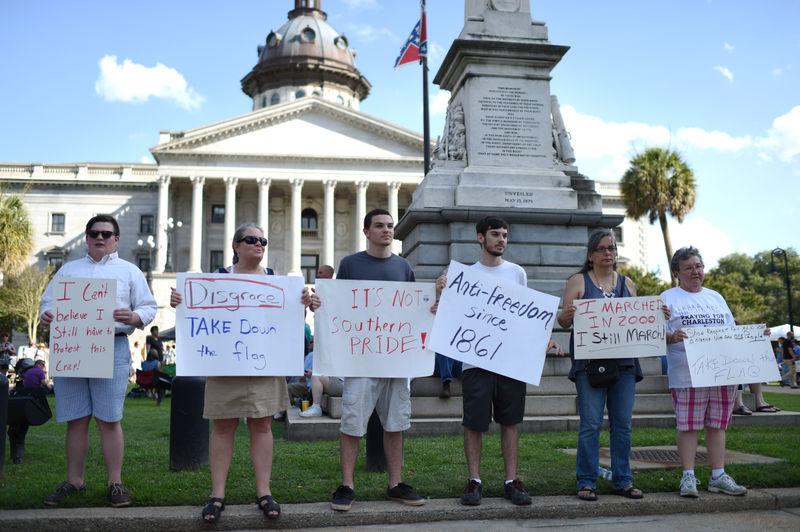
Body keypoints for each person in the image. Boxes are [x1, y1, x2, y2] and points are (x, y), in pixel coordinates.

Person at [170, 222, 314, 523]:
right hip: (224, 367)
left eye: (263, 240)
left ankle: (264, 492)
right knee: (223, 427)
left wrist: (305, 302)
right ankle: (217, 494)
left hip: (265, 366)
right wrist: (179, 302)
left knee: (262, 426)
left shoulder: (277, 281)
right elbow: (195, 315)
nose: (259, 244)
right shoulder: (217, 280)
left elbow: (289, 323)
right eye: (251, 239)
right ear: (236, 246)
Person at [437, 216, 557, 507]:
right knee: (474, 423)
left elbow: (526, 316)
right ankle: (474, 480)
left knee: (510, 422)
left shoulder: (517, 273)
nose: (501, 239)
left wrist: (541, 340)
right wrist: (440, 290)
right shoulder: (465, 275)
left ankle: (511, 480)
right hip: (475, 363)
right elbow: (446, 314)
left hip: (510, 362)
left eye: (505, 235)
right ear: (480, 238)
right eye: (495, 234)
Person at [39, 214, 157, 507]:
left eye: (106, 233)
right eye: (94, 233)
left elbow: (148, 306)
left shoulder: (130, 272)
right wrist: (47, 315)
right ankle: (74, 480)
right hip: (72, 346)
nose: (100, 238)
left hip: (113, 345)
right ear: (87, 237)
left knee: (109, 419)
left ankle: (115, 482)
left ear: (116, 239)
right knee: (76, 419)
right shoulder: (68, 270)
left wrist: (135, 317)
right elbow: (47, 303)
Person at [312, 208, 425, 512]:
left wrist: (432, 308)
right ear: (366, 231)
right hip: (360, 360)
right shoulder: (350, 264)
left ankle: (396, 483)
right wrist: (319, 304)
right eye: (379, 226)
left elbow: (414, 310)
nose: (387, 230)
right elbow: (337, 306)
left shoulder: (403, 267)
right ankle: (347, 485)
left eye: (390, 226)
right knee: (352, 423)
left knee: (396, 423)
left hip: (395, 359)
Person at [558, 228, 661, 502]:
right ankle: (587, 480)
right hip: (590, 364)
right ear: (591, 255)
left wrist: (656, 316)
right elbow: (563, 322)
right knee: (591, 423)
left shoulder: (628, 284)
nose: (608, 253)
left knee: (623, 424)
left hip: (624, 364)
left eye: (612, 248)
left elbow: (639, 321)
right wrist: (568, 313)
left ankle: (623, 479)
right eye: (602, 249)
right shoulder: (578, 281)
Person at [661, 246, 747, 498]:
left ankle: (718, 475)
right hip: (687, 373)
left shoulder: (716, 297)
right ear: (677, 272)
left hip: (721, 372)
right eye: (688, 268)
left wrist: (755, 339)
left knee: (717, 425)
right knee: (688, 425)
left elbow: (731, 331)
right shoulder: (667, 298)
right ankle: (688, 477)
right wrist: (671, 336)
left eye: (699, 266)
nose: (695, 272)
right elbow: (654, 335)